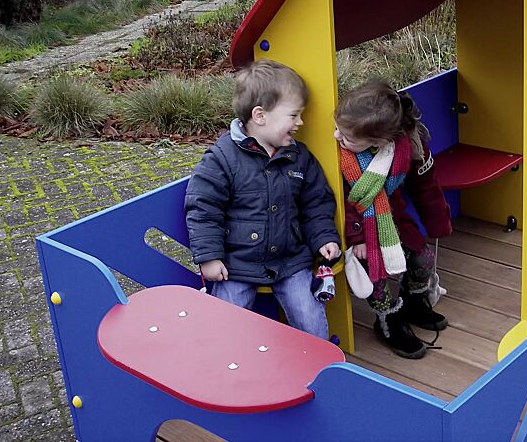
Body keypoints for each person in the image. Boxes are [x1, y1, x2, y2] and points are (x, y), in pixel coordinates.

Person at [186, 59, 341, 340]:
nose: (300, 123)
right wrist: (209, 257)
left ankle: (321, 373)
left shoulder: (299, 156)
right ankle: (225, 371)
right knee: (224, 323)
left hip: (290, 260)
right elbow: (203, 209)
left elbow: (316, 202)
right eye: (293, 116)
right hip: (237, 263)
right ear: (260, 116)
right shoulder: (222, 158)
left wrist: (324, 238)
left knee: (310, 320)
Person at [334, 81, 452, 359]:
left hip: (392, 218)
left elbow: (425, 186)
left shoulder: (407, 149)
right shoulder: (341, 154)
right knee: (375, 276)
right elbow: (341, 200)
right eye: (339, 127)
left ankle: (413, 302)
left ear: (379, 142)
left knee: (422, 258)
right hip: (355, 228)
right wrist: (358, 237)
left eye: (348, 136)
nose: (337, 136)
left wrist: (437, 222)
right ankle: (388, 319)